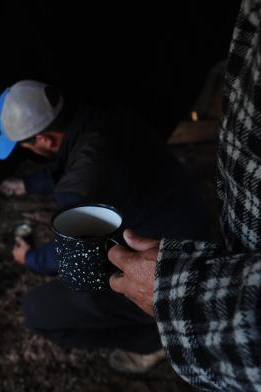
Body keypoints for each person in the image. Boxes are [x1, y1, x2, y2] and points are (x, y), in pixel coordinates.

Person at [0, 79, 209, 372]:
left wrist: (30, 258)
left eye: (26, 146)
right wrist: (26, 184)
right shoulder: (109, 120)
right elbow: (76, 164)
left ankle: (158, 339)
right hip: (192, 226)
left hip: (169, 268)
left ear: (45, 141)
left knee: (37, 310)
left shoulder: (78, 188)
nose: (28, 151)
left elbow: (72, 260)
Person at [107, 0, 261, 389]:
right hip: (222, 251)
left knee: (50, 311)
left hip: (201, 273)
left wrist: (182, 298)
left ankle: (151, 344)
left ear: (41, 139)